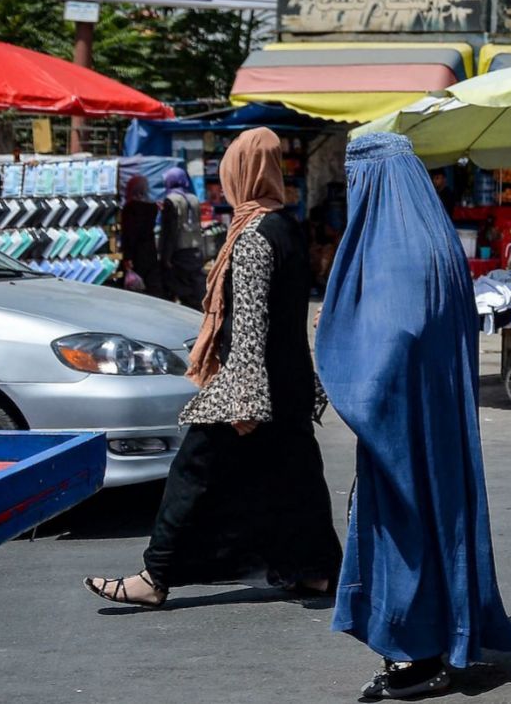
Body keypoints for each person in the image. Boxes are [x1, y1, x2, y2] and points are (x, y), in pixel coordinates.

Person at [84, 128, 340, 607]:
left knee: (193, 472)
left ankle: (154, 576)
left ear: (241, 173)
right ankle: (319, 570)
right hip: (288, 381)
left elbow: (249, 323)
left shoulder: (252, 237)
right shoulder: (285, 227)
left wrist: (241, 397)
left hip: (250, 383)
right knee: (293, 477)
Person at [316, 133, 511, 699]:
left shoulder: (394, 253)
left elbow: (388, 345)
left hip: (401, 430)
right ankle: (439, 640)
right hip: (437, 421)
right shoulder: (435, 240)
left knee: (405, 536)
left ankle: (415, 653)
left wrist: (349, 378)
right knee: (440, 523)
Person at [156, 167, 208, 308]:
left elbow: (170, 231)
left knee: (178, 289)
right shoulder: (194, 199)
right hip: (195, 251)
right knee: (195, 291)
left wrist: (165, 257)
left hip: (178, 253)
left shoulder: (171, 201)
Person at [118, 174, 159, 293]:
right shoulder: (152, 207)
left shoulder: (130, 208)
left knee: (134, 287)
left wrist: (128, 256)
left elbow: (130, 234)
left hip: (136, 252)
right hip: (150, 251)